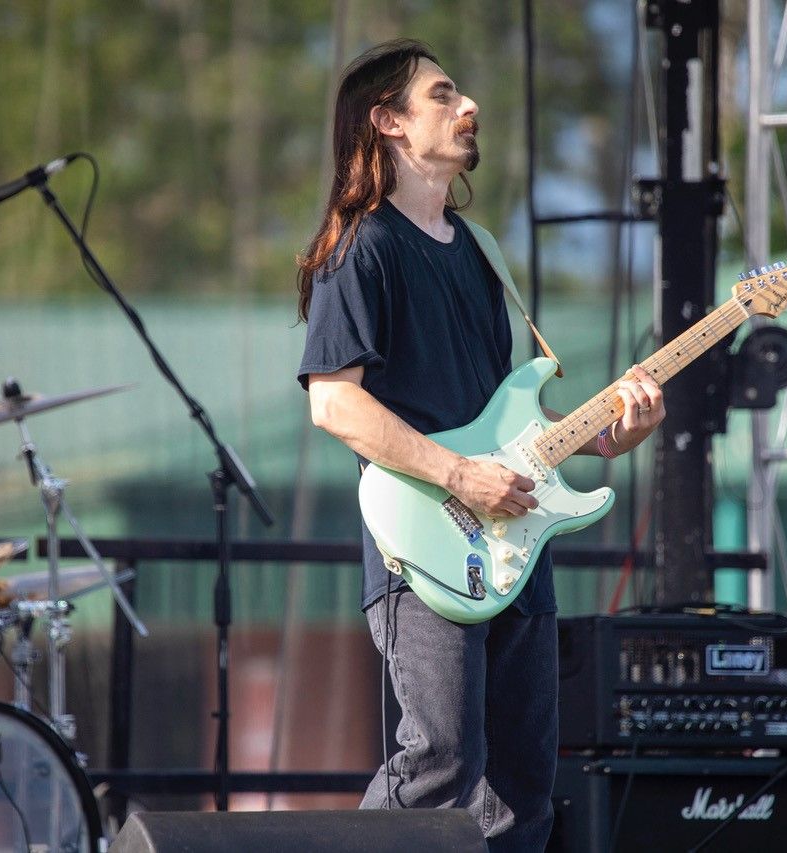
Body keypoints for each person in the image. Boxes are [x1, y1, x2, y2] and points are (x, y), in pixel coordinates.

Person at [295, 39, 664, 851]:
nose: (468, 108)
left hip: (515, 544)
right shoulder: (362, 245)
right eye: (443, 95)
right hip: (425, 543)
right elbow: (334, 402)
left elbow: (512, 424)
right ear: (387, 121)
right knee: (441, 764)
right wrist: (461, 475)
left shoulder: (480, 252)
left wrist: (610, 436)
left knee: (523, 789)